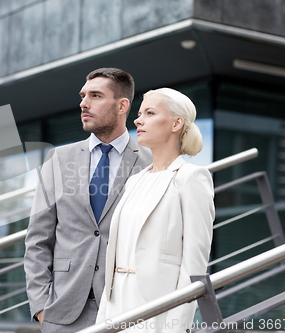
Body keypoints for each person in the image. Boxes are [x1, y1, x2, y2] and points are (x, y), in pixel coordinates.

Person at [24, 68, 152, 332]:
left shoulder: (150, 162)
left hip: (129, 309)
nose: (84, 103)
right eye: (83, 96)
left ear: (122, 105)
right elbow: (37, 239)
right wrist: (40, 306)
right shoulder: (59, 159)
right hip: (62, 312)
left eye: (95, 95)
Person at [96, 88, 215, 332]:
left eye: (150, 113)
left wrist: (176, 325)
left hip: (157, 308)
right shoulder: (135, 181)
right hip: (116, 302)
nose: (138, 120)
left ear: (176, 123)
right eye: (139, 113)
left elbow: (194, 264)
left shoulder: (192, 177)